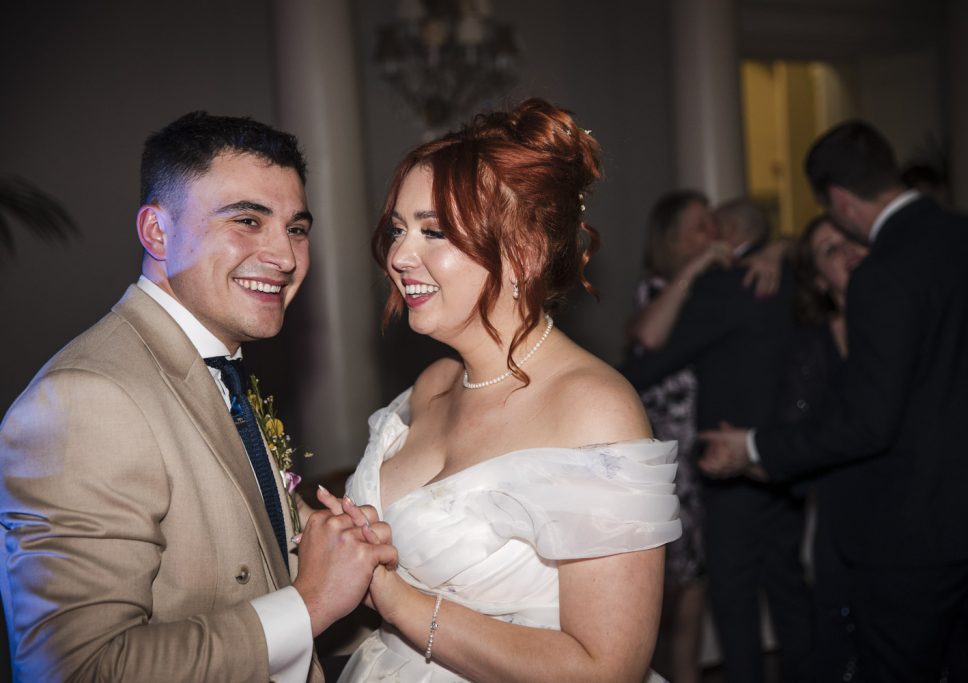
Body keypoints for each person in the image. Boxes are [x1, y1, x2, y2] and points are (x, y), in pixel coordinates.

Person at [0, 112, 397, 682]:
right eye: (247, 220)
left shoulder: (216, 367)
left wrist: (347, 560)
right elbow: (77, 670)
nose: (285, 257)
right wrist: (309, 604)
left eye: (296, 228)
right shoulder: (86, 399)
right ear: (158, 232)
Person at [334, 98, 682, 683]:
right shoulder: (432, 385)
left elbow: (607, 669)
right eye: (397, 230)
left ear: (525, 251)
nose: (398, 256)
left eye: (433, 231)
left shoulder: (594, 410)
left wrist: (395, 599)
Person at [701, 120, 968, 682]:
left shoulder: (884, 272)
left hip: (916, 535)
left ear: (842, 200)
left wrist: (752, 445)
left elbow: (869, 423)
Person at [622, 198, 813, 683]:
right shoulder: (788, 277)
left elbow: (643, 365)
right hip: (781, 455)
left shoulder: (731, 283)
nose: (709, 236)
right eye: (698, 228)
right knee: (782, 588)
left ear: (728, 231)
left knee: (733, 600)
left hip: (725, 459)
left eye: (712, 226)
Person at [777, 215, 867, 681]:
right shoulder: (812, 347)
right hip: (841, 520)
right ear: (817, 279)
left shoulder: (912, 324)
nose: (848, 251)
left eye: (852, 240)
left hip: (924, 520)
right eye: (831, 250)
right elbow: (796, 439)